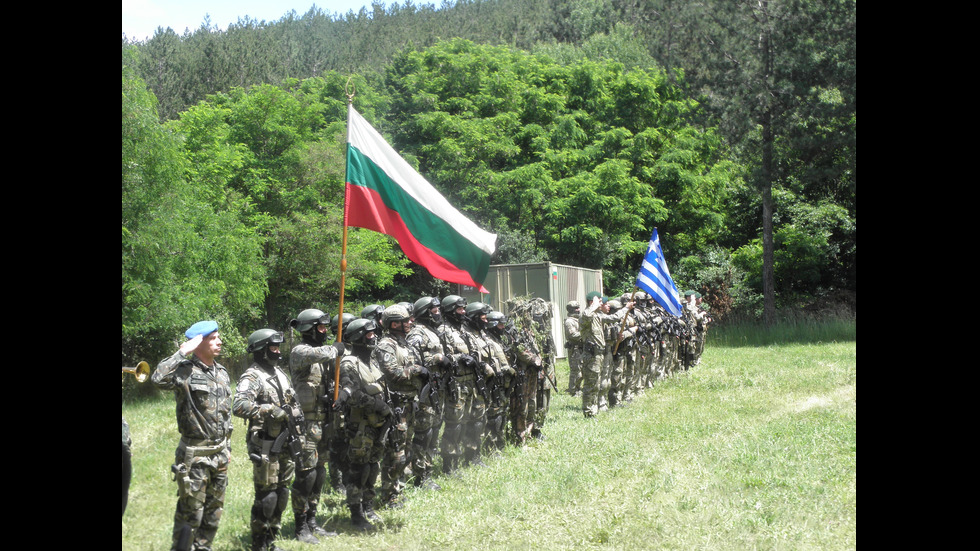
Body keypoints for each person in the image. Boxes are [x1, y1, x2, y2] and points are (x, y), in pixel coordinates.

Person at [151, 320, 233, 551]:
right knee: (190, 516)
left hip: (220, 454)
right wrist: (181, 352)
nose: (219, 342)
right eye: (213, 338)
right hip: (195, 456)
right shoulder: (184, 371)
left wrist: (227, 450)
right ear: (198, 343)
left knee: (213, 514)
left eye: (218, 337)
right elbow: (158, 379)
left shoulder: (222, 372)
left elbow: (225, 415)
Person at [233, 329, 311, 551]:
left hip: (287, 441)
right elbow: (239, 406)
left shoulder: (280, 373)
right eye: (273, 348)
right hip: (266, 443)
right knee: (266, 496)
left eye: (278, 347)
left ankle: (272, 538)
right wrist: (267, 409)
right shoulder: (252, 376)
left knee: (282, 492)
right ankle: (259, 543)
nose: (278, 351)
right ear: (261, 350)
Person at [287, 309, 347, 544]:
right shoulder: (300, 351)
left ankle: (312, 520)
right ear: (309, 329)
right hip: (306, 424)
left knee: (320, 472)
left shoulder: (324, 359)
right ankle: (300, 526)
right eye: (320, 328)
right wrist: (335, 349)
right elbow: (317, 354)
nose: (324, 331)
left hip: (324, 422)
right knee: (306, 475)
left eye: (325, 327)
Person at [333, 317, 392, 531]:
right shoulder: (349, 363)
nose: (373, 336)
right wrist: (379, 406)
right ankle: (356, 514)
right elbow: (353, 395)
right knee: (359, 470)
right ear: (358, 337)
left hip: (377, 425)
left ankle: (368, 505)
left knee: (373, 466)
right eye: (368, 334)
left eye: (374, 332)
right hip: (359, 426)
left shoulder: (372, 361)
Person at [375, 304, 429, 509]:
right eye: (406, 320)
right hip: (396, 407)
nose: (410, 322)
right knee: (394, 453)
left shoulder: (405, 344)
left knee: (406, 451)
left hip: (410, 404)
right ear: (394, 323)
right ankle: (389, 496)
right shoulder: (386, 345)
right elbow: (393, 373)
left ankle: (398, 487)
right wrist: (417, 369)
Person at [406, 297, 446, 489]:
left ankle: (428, 469)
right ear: (424, 312)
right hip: (423, 391)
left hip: (436, 389)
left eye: (438, 309)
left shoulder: (432, 332)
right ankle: (421, 475)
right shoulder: (416, 334)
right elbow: (412, 363)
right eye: (433, 309)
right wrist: (438, 358)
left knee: (434, 430)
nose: (438, 312)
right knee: (424, 434)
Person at [578, 293, 632, 418]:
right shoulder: (586, 315)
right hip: (591, 355)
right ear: (592, 302)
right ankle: (588, 412)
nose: (602, 304)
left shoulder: (597, 316)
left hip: (599, 354)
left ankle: (594, 409)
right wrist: (595, 303)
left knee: (597, 384)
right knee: (590, 384)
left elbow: (614, 317)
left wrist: (626, 308)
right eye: (600, 302)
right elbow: (587, 314)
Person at [483, 310, 516, 452]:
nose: (503, 328)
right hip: (493, 385)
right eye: (500, 325)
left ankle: (500, 443)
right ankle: (491, 446)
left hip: (504, 385)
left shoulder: (499, 340)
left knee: (502, 414)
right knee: (494, 416)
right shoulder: (486, 341)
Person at [564, 301, 584, 397]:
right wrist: (585, 334)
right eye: (576, 308)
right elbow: (572, 335)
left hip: (582, 348)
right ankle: (573, 390)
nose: (578, 310)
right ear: (571, 309)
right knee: (576, 371)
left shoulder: (580, 320)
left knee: (582, 370)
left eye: (578, 307)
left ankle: (578, 388)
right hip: (575, 349)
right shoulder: (569, 322)